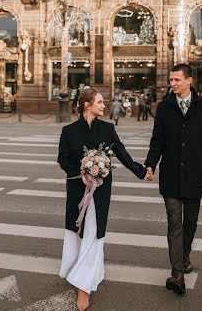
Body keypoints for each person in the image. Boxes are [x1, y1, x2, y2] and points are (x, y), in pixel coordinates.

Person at [58, 88, 150, 310]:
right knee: (78, 231)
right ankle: (91, 271)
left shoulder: (108, 129)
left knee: (94, 231)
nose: (103, 105)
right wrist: (83, 172)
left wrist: (141, 171)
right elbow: (62, 159)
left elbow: (122, 153)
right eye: (99, 102)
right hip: (78, 190)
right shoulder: (69, 131)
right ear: (87, 105)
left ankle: (83, 287)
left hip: (101, 193)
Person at [144, 64, 202, 295]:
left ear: (189, 81)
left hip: (196, 176)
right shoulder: (165, 107)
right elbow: (157, 140)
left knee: (190, 223)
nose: (173, 84)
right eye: (171, 80)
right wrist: (150, 165)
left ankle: (184, 254)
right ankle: (177, 273)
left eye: (177, 80)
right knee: (174, 222)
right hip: (171, 175)